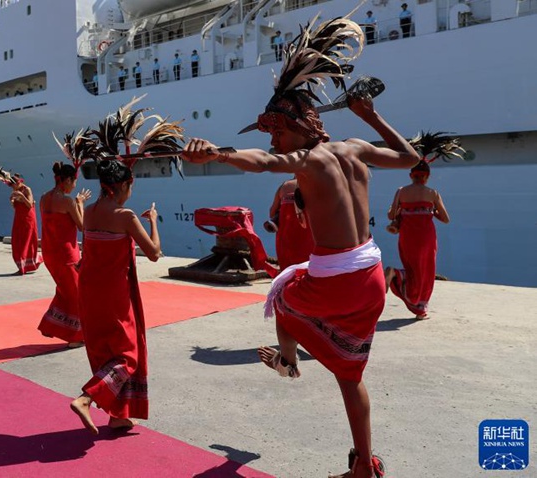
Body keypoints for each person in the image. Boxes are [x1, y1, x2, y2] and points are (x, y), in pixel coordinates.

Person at [182, 16, 420, 478]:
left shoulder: (307, 160)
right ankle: (363, 465)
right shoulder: (353, 147)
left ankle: (289, 359)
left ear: (299, 126)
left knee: (282, 294)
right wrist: (369, 116)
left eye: (277, 131)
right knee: (350, 375)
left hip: (338, 277)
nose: (274, 140)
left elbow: (263, 162)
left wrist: (217, 153)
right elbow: (411, 158)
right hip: (371, 271)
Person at [70, 159, 161, 435]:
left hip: (88, 290)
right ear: (123, 185)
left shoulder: (90, 212)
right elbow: (155, 253)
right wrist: (154, 222)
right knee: (128, 356)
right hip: (114, 294)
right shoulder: (126, 215)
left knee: (105, 351)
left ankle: (118, 416)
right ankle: (87, 398)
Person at [385, 160, 450, 319]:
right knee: (426, 270)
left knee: (412, 267)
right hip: (427, 236)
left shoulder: (401, 191)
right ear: (427, 177)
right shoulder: (433, 193)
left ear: (411, 175)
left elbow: (391, 215)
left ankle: (397, 274)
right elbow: (446, 219)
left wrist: (404, 209)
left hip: (408, 235)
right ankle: (421, 309)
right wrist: (430, 211)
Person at [38, 162, 91, 345]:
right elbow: (82, 226)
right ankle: (75, 336)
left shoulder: (44, 198)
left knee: (66, 292)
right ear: (67, 180)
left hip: (49, 254)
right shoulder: (68, 201)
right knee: (77, 294)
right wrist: (80, 203)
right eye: (74, 181)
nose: (74, 185)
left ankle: (54, 326)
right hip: (67, 255)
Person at [267, 178, 314, 270]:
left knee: (288, 271)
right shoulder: (314, 185)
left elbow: (272, 213)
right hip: (307, 235)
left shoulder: (284, 186)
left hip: (286, 236)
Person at [7, 175, 43, 274]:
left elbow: (30, 204)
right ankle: (28, 263)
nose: (12, 188)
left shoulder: (27, 189)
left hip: (28, 219)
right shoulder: (15, 191)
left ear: (18, 182)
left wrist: (22, 196)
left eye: (13, 185)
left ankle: (22, 267)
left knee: (26, 241)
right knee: (17, 240)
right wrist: (13, 201)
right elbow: (16, 207)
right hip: (19, 218)